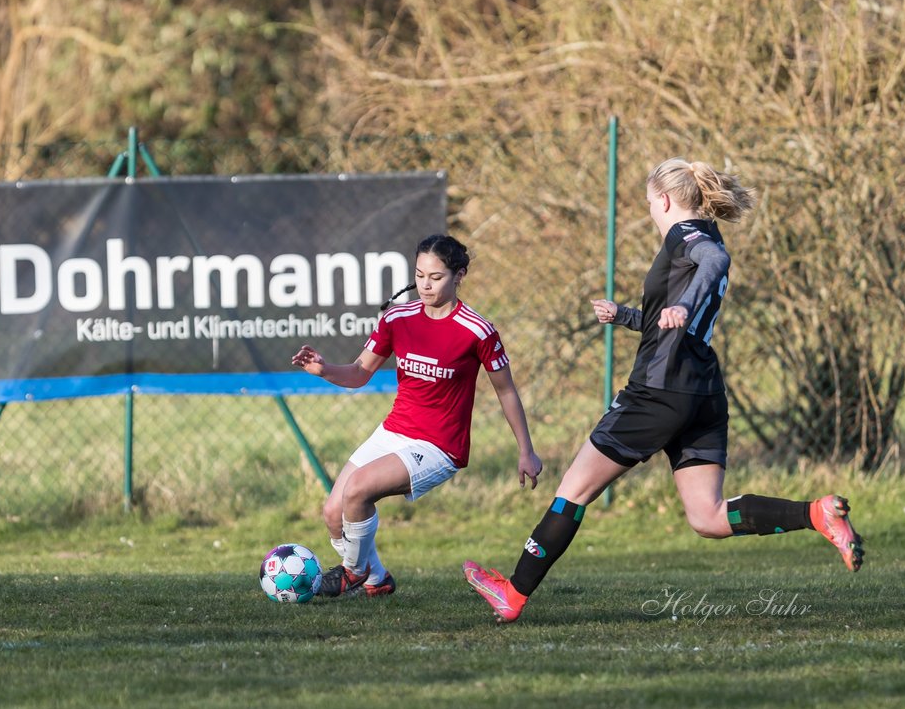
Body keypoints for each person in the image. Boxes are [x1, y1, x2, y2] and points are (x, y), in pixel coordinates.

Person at [463, 158, 865, 623]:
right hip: (701, 392)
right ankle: (816, 514)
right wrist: (628, 316)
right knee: (708, 517)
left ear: (666, 200)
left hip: (657, 392)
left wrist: (683, 302)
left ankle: (512, 594)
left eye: (650, 201)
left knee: (572, 491)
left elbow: (712, 269)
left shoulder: (686, 237)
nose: (650, 209)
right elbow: (678, 318)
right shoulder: (707, 235)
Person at [293, 234, 543, 598]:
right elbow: (360, 372)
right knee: (333, 512)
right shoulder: (398, 318)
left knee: (359, 490)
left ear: (459, 276)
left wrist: (526, 450)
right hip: (395, 431)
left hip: (440, 445)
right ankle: (378, 579)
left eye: (436, 277)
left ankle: (352, 572)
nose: (426, 284)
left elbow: (506, 391)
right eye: (420, 275)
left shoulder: (478, 330)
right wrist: (324, 369)